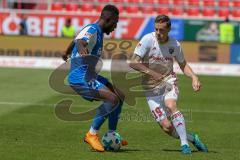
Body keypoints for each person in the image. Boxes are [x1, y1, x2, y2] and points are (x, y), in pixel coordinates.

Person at [130, 15, 208, 154]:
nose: (158, 33)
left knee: (171, 105)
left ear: (169, 29)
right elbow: (133, 62)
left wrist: (194, 77)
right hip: (150, 89)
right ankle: (192, 138)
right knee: (166, 127)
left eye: (161, 30)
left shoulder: (175, 45)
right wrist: (152, 73)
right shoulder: (148, 39)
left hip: (168, 80)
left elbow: (183, 65)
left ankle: (184, 145)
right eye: (156, 29)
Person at [63, 4, 127, 152]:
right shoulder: (93, 29)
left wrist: (65, 53)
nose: (115, 27)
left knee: (120, 95)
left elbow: (75, 39)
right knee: (112, 99)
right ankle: (91, 134)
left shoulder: (96, 31)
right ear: (109, 19)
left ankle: (111, 135)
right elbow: (79, 42)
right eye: (115, 23)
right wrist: (80, 48)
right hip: (80, 79)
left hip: (90, 76)